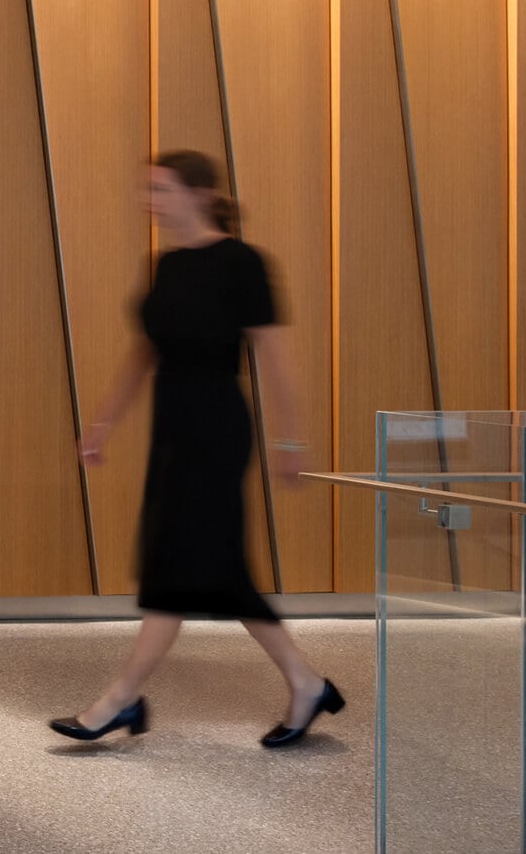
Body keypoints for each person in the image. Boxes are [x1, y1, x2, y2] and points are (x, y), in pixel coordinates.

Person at [49, 150, 344, 748]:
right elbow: (145, 352)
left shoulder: (244, 264)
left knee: (178, 563)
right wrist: (103, 422)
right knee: (206, 566)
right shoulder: (165, 265)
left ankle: (120, 700)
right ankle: (306, 683)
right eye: (148, 190)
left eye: (161, 190)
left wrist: (292, 440)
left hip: (216, 426)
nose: (150, 201)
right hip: (172, 427)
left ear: (200, 195)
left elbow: (275, 361)